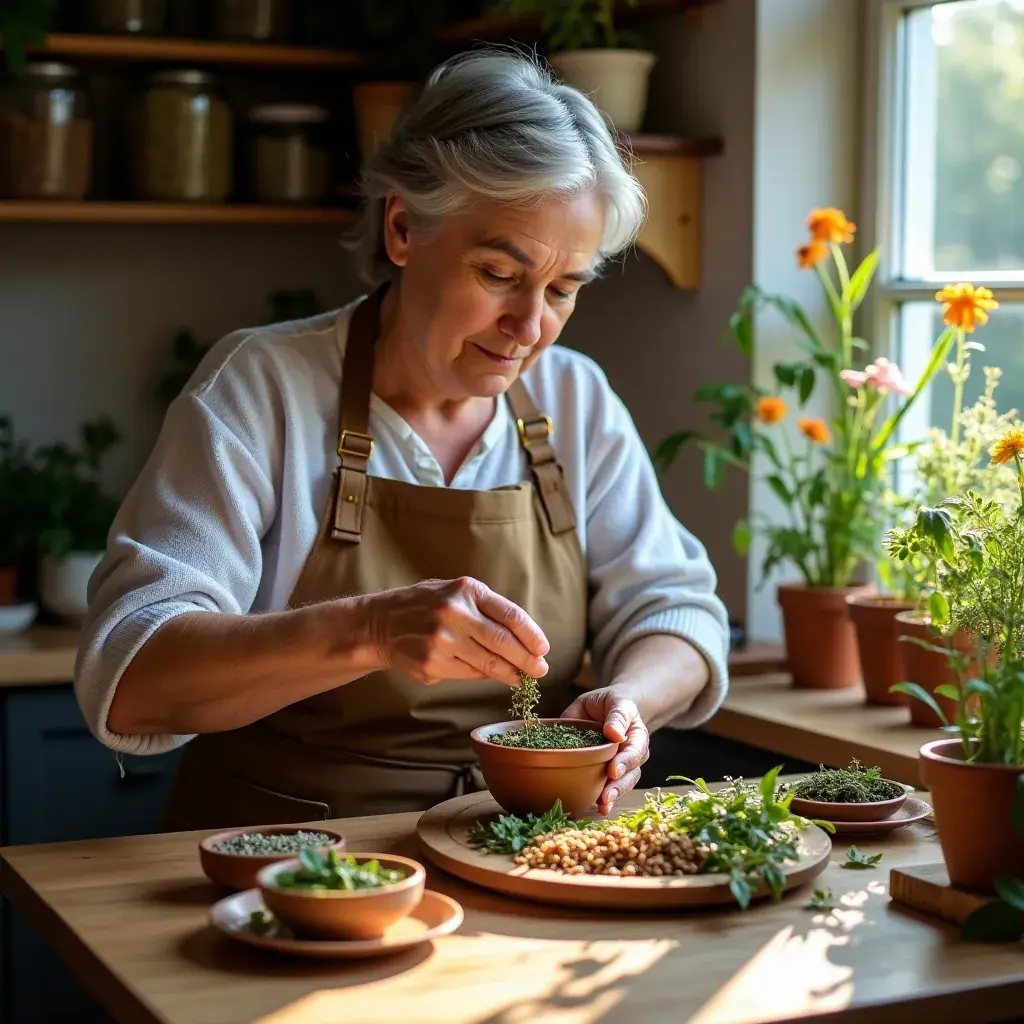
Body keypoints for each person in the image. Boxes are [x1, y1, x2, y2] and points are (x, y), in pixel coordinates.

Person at [73, 50, 730, 832]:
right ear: (402, 229)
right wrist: (371, 629)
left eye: (562, 290)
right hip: (284, 856)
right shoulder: (264, 387)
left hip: (518, 844)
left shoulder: (574, 398)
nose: (530, 329)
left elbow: (677, 610)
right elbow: (133, 672)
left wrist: (632, 698)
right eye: (497, 273)